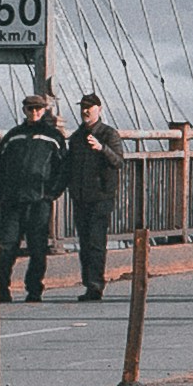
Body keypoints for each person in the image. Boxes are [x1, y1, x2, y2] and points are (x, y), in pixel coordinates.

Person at [0, 91, 71, 299]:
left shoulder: (53, 137)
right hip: (12, 200)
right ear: (24, 110)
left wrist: (52, 192)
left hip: (39, 200)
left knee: (38, 247)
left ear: (44, 111)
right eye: (30, 109)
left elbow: (63, 168)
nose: (34, 112)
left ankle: (34, 289)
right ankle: (1, 290)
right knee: (6, 246)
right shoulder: (13, 135)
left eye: (38, 109)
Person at [64, 94, 125, 297]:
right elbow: (68, 166)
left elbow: (118, 162)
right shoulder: (76, 137)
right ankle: (89, 282)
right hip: (80, 196)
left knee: (96, 241)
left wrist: (102, 149)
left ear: (99, 109)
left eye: (89, 107)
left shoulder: (109, 134)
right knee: (84, 242)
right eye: (82, 107)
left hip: (101, 195)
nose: (85, 111)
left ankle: (95, 285)